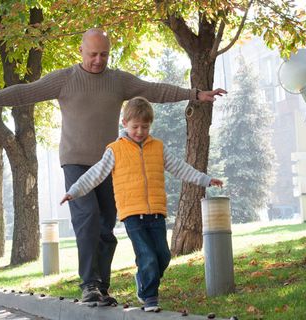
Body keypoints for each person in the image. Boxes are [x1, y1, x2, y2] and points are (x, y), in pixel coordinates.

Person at [0, 28, 226, 305]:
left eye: (104, 54)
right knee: (88, 220)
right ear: (80, 51)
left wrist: (195, 94)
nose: (98, 60)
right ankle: (89, 285)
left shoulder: (118, 81)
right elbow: (26, 93)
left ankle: (102, 286)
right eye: (93, 54)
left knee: (106, 225)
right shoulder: (65, 79)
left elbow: (154, 89)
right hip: (75, 161)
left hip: (111, 162)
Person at [60, 97, 223, 312]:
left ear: (150, 125)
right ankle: (149, 298)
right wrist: (74, 191)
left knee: (163, 256)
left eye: (144, 127)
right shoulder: (115, 150)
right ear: (124, 123)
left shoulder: (158, 147)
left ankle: (144, 282)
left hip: (156, 213)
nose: (139, 131)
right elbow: (95, 174)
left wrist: (205, 179)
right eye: (135, 126)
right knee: (147, 256)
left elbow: (181, 168)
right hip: (132, 214)